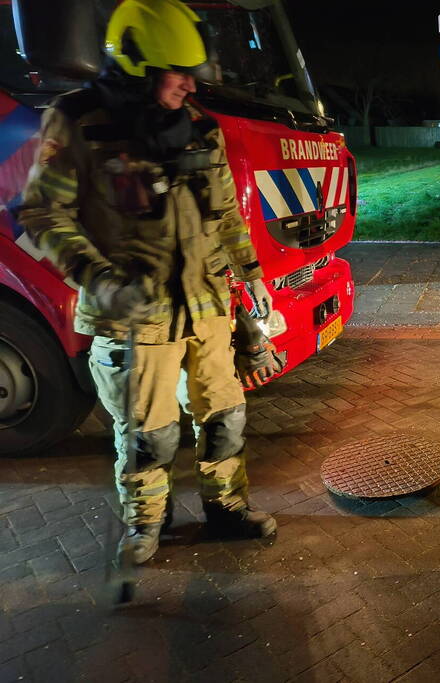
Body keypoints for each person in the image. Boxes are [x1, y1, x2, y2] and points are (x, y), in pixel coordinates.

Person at [16, 0, 277, 564]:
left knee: (224, 419)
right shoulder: (78, 122)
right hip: (135, 316)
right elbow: (42, 214)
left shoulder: (202, 127)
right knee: (148, 435)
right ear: (137, 68)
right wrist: (103, 281)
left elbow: (227, 212)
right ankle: (146, 524)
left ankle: (227, 511)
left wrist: (251, 277)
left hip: (206, 307)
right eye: (177, 74)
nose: (190, 85)